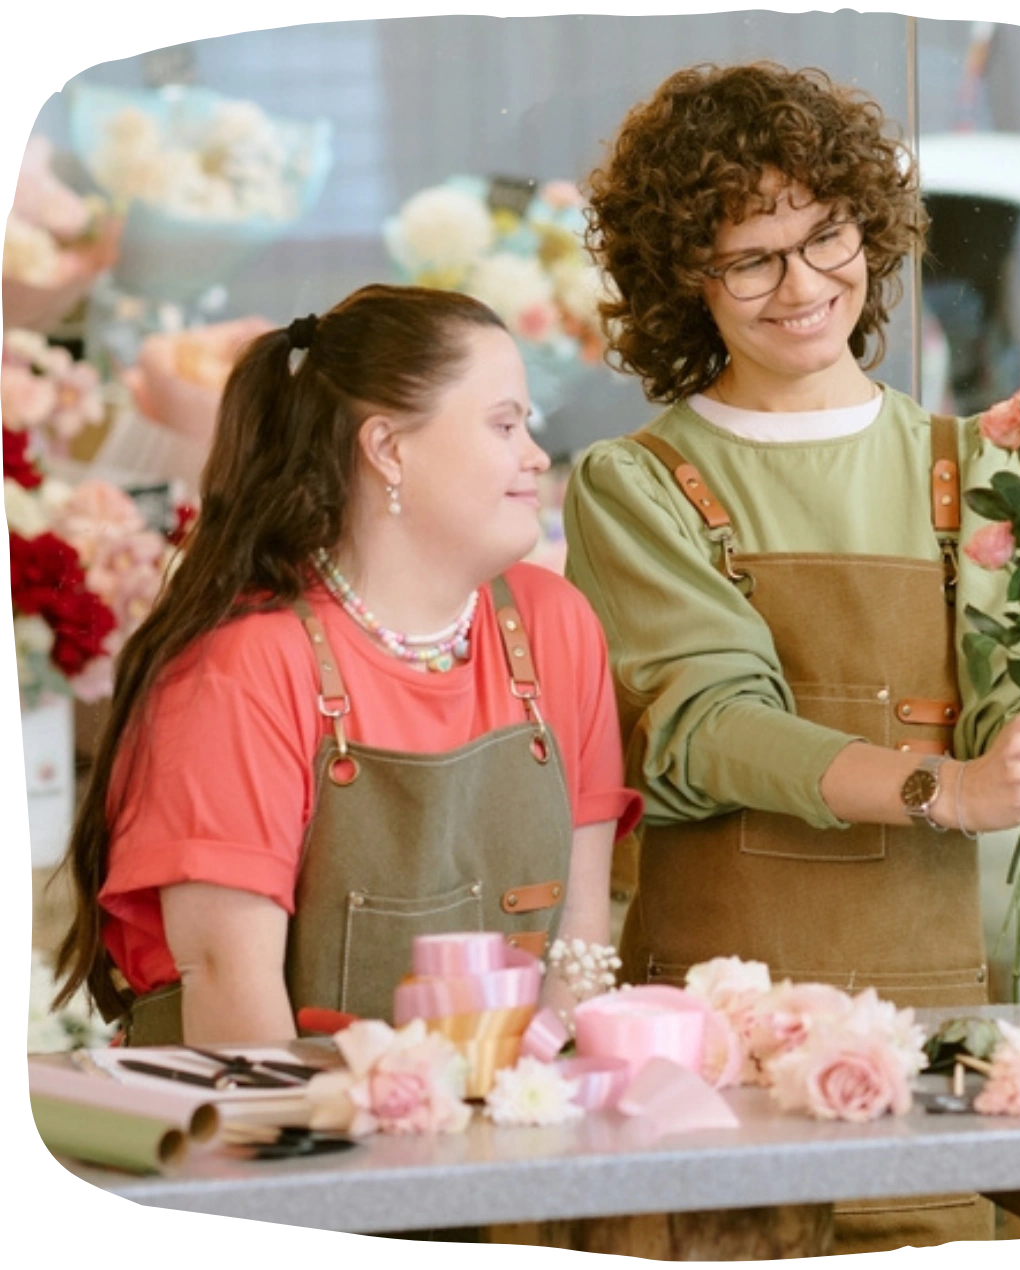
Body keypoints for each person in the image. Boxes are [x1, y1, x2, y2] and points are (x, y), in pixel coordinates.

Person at [562, 63, 1020, 1252]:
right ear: (688, 275)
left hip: (931, 1033)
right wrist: (946, 786)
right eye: (752, 257)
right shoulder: (635, 482)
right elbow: (705, 726)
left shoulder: (972, 463)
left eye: (826, 235)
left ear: (869, 231)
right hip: (710, 1050)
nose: (802, 286)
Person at [53, 283, 642, 1047]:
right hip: (278, 1132)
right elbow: (232, 992)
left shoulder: (554, 625)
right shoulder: (244, 666)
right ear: (387, 448)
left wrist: (547, 1107)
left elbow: (582, 938)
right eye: (504, 425)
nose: (535, 457)